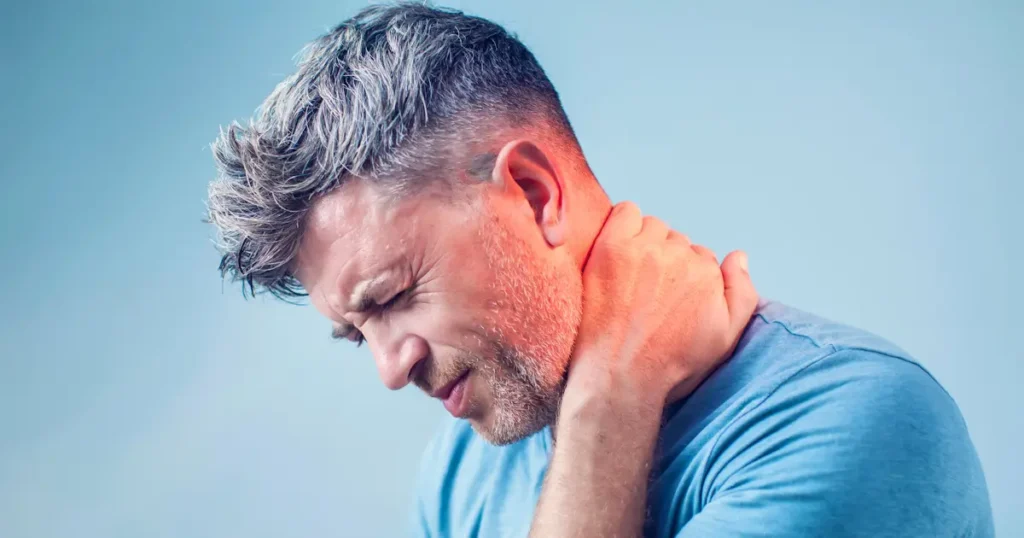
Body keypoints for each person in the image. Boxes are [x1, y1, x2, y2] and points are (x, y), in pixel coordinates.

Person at [205, 3, 993, 536]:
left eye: (394, 296)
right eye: (356, 333)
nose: (389, 366)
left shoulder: (855, 422)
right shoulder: (458, 474)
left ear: (534, 193)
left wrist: (609, 401)